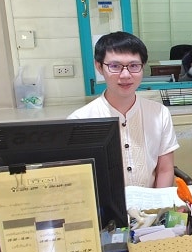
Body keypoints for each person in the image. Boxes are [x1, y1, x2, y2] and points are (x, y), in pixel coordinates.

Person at [68, 31, 179, 188]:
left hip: (150, 208)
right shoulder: (79, 120)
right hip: (105, 209)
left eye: (134, 66)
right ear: (99, 66)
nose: (126, 75)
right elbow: (78, 181)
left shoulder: (159, 113)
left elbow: (165, 170)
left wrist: (160, 208)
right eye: (115, 66)